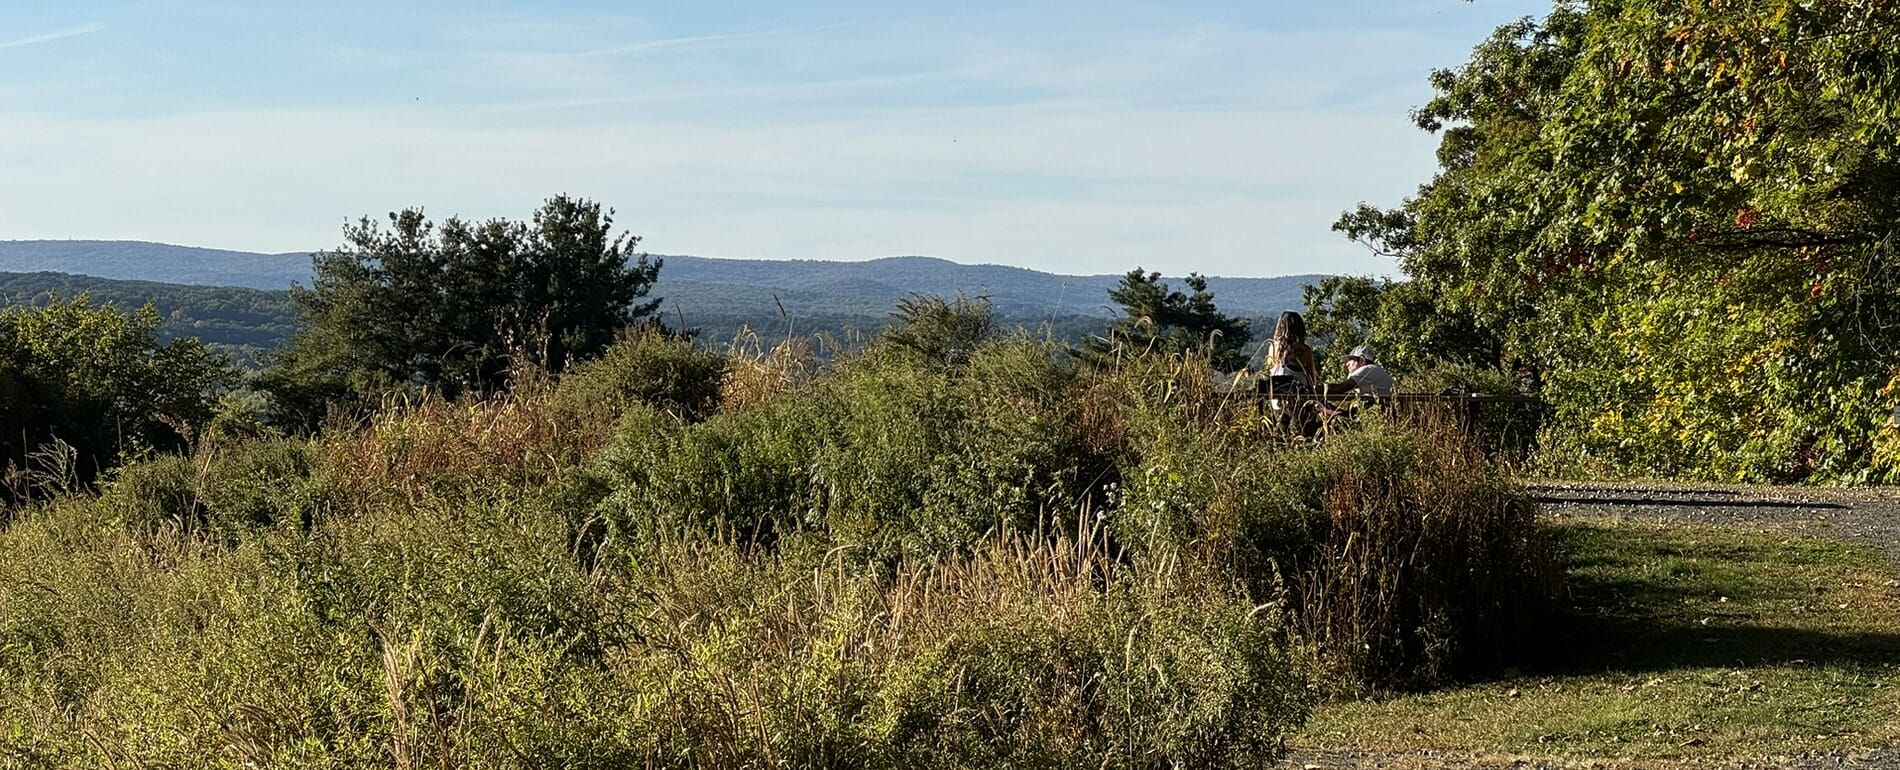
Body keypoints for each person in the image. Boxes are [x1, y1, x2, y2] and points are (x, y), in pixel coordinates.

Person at [1262, 311, 1317, 393]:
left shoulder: (1273, 347)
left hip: (1275, 391)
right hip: (1298, 392)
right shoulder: (1305, 349)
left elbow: (1269, 368)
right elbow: (1311, 378)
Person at [1325, 345, 1395, 398]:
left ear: (1361, 360)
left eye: (1351, 359)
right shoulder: (1376, 370)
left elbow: (1340, 388)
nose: (1347, 364)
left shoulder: (1366, 369)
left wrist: (1320, 388)